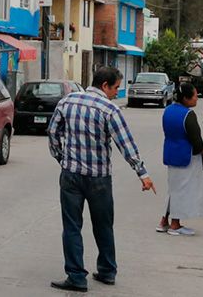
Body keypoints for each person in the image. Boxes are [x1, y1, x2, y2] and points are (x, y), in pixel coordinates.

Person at [47, 66, 156, 292]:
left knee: (72, 227)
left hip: (71, 176)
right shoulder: (109, 110)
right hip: (99, 180)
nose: (117, 92)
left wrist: (63, 159)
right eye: (116, 87)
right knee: (104, 226)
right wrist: (142, 174)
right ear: (104, 85)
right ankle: (107, 271)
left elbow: (53, 133)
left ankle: (76, 277)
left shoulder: (67, 102)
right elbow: (126, 144)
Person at [156, 83, 203, 236]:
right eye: (195, 95)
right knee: (182, 191)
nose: (197, 98)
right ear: (186, 98)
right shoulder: (188, 115)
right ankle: (175, 225)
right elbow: (196, 139)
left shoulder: (168, 110)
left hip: (171, 154)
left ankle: (164, 221)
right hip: (186, 157)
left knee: (173, 189)